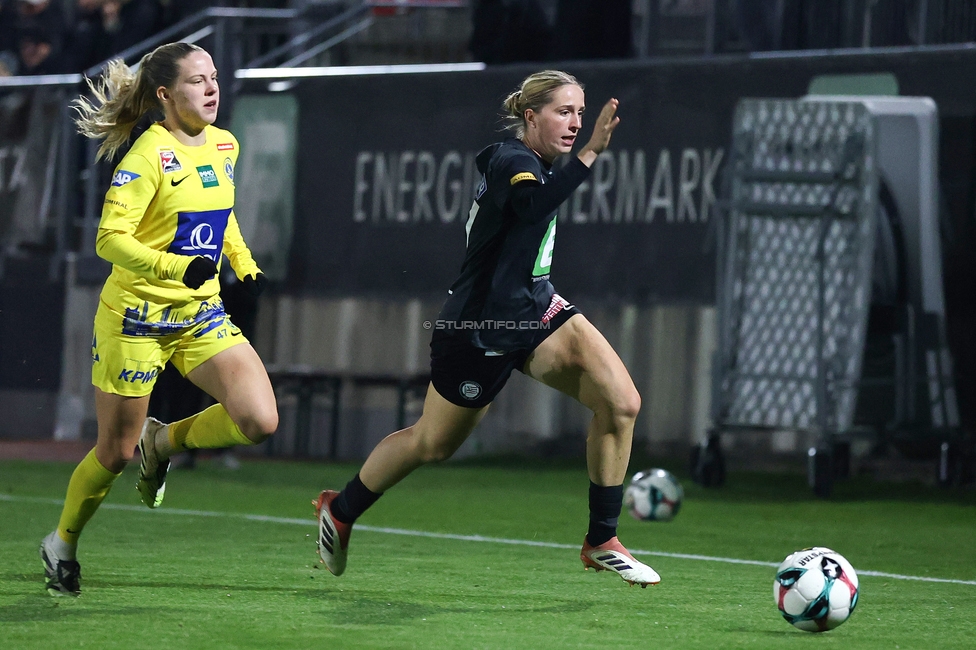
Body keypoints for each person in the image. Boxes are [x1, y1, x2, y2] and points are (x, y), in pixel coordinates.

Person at [314, 70, 660, 588]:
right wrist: (589, 153)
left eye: (580, 113)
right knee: (431, 444)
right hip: (480, 326)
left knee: (621, 402)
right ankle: (340, 509)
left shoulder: (535, 162)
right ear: (531, 117)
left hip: (536, 305)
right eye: (563, 112)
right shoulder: (513, 160)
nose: (575, 123)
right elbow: (530, 207)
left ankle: (602, 540)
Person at [39, 41, 278, 597]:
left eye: (214, 76)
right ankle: (62, 543)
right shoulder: (147, 156)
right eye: (198, 81)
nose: (213, 87)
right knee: (114, 453)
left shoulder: (224, 144)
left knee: (260, 420)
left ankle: (164, 443)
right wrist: (175, 265)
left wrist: (241, 261)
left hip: (200, 314)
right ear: (166, 95)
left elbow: (222, 214)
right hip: (137, 318)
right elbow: (108, 239)